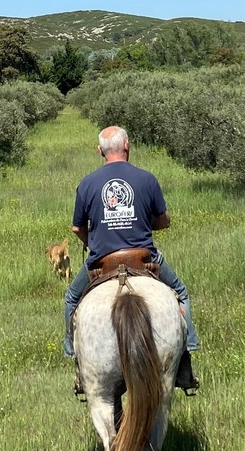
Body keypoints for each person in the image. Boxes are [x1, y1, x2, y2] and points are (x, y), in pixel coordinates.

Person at [64, 125, 199, 394]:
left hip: (103, 261)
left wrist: (96, 244)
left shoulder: (87, 183)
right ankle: (186, 358)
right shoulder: (147, 179)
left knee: (70, 298)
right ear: (127, 146)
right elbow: (162, 221)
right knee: (182, 293)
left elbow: (78, 228)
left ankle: (75, 357)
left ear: (100, 150)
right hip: (144, 258)